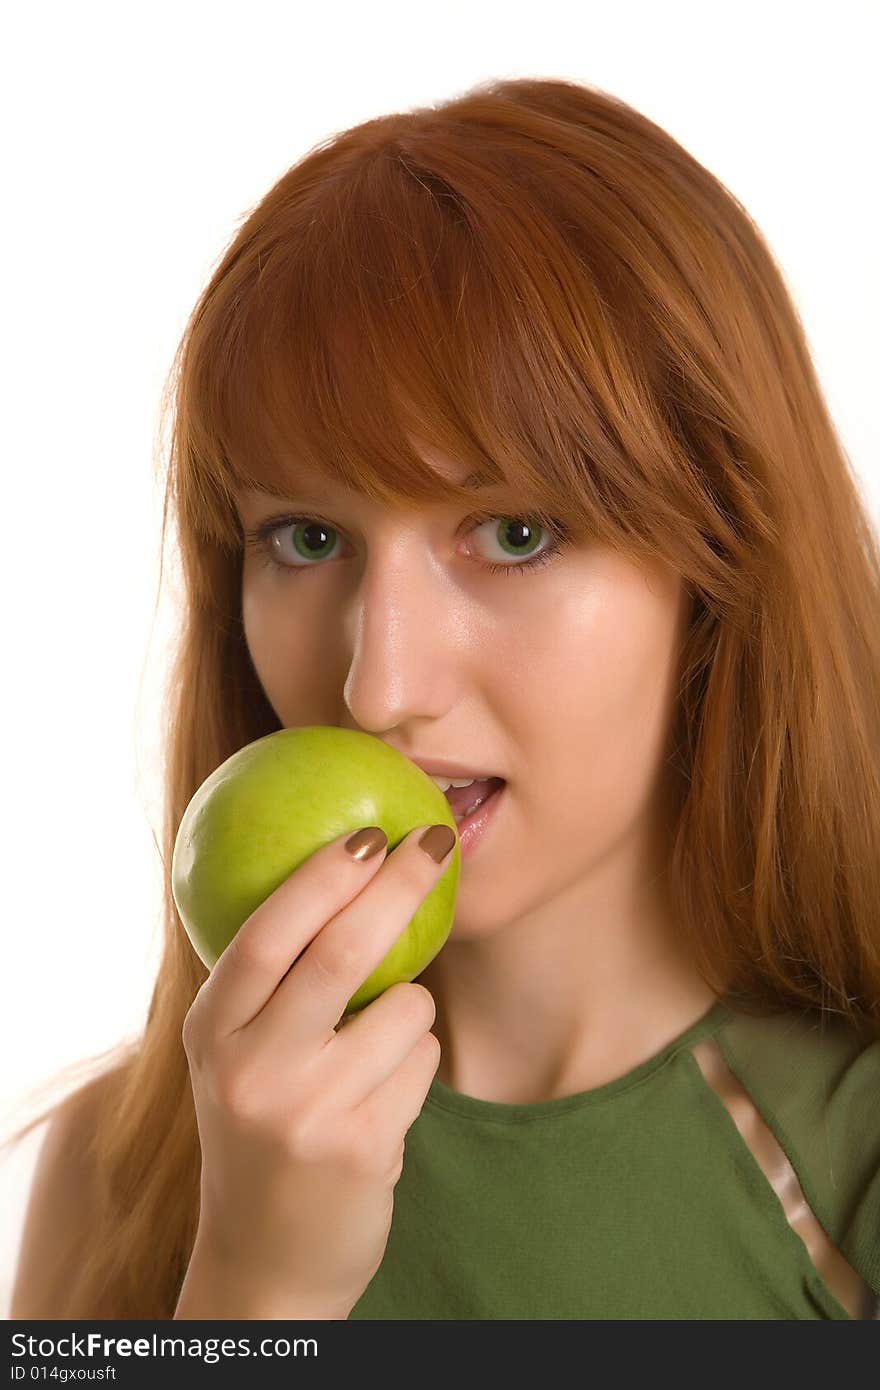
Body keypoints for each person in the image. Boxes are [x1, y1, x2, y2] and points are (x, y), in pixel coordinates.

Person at [7, 75, 879, 1321]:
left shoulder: (845, 1171)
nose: (378, 686)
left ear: (720, 565)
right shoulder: (128, 1168)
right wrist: (257, 1287)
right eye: (306, 538)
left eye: (513, 532)